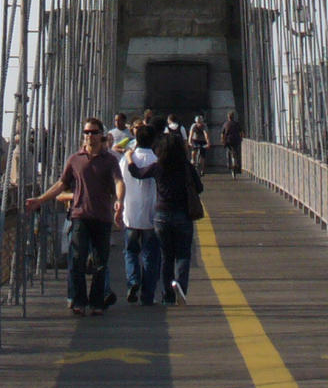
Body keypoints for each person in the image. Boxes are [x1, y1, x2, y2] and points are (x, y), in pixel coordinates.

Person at [27, 117, 125, 315]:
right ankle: (79, 301)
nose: (90, 136)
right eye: (87, 132)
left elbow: (118, 182)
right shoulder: (74, 159)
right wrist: (40, 199)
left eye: (94, 132)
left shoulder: (110, 160)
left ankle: (97, 302)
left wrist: (120, 201)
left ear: (102, 135)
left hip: (102, 217)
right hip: (80, 215)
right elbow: (61, 185)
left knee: (100, 262)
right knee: (78, 259)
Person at [130, 127, 203, 304]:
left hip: (161, 216)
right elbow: (199, 188)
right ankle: (181, 289)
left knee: (166, 256)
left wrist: (128, 159)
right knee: (184, 255)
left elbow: (137, 174)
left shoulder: (158, 167)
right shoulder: (187, 167)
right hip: (183, 215)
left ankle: (167, 296)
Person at [119, 123, 163, 305]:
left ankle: (133, 281)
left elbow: (119, 182)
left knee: (130, 251)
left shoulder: (125, 160)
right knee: (150, 255)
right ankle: (147, 295)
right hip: (152, 215)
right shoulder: (158, 161)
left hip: (130, 213)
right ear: (154, 140)